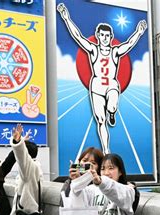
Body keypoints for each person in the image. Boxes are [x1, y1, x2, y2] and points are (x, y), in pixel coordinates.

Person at [57, 3, 147, 153]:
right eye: (102, 35)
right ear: (98, 36)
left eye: (107, 36)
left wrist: (139, 31)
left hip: (111, 84)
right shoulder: (93, 49)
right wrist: (66, 18)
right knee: (100, 120)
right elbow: (78, 36)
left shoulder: (115, 51)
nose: (104, 38)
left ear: (111, 37)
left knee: (111, 106)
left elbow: (130, 44)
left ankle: (112, 112)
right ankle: (106, 150)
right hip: (97, 86)